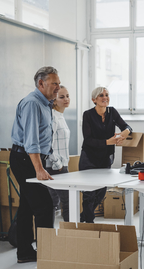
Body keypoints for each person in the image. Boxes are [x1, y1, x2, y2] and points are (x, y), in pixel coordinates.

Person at [10, 66, 60, 263]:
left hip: (30, 158)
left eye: (58, 82)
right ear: (41, 83)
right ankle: (47, 254)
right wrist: (38, 169)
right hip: (25, 160)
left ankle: (24, 252)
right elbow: (32, 141)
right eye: (54, 83)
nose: (58, 87)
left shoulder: (46, 104)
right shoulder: (32, 103)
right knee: (44, 206)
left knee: (27, 207)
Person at [79, 87, 132, 223]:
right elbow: (88, 140)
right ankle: (89, 223)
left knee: (101, 192)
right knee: (89, 193)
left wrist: (125, 132)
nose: (105, 97)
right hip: (89, 158)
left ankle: (83, 217)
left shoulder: (112, 112)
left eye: (107, 95)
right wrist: (107, 142)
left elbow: (126, 126)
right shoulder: (88, 115)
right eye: (101, 95)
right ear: (94, 100)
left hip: (105, 158)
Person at [46, 85, 71, 222]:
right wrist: (58, 163)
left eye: (67, 96)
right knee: (65, 202)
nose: (66, 99)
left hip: (61, 165)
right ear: (54, 100)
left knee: (55, 202)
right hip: (55, 167)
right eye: (62, 97)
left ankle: (56, 236)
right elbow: (48, 143)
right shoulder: (53, 117)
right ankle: (70, 235)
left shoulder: (60, 116)